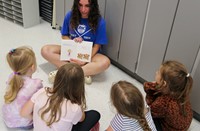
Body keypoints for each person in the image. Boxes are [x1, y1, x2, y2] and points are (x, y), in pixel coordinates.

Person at [41, 0, 110, 84]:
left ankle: (65, 72)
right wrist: (72, 42)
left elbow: (97, 46)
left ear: (93, 6)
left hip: (88, 53)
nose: (83, 10)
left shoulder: (100, 22)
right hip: (71, 50)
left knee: (105, 62)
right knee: (45, 50)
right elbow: (64, 36)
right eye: (80, 5)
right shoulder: (69, 15)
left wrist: (85, 60)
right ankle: (83, 73)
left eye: (87, 6)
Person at [20, 63, 101, 131]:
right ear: (79, 86)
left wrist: (37, 119)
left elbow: (23, 113)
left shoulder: (42, 92)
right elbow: (81, 119)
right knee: (95, 114)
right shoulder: (75, 108)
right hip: (74, 113)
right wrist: (78, 103)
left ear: (57, 78)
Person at [143, 60, 193, 131]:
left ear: (164, 83)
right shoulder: (181, 92)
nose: (156, 72)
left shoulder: (164, 102)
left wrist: (150, 88)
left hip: (170, 129)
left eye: (158, 72)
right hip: (183, 125)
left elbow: (150, 110)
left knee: (147, 118)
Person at [2, 46, 43, 129]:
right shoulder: (36, 84)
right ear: (32, 67)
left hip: (7, 117)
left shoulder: (11, 77)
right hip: (24, 123)